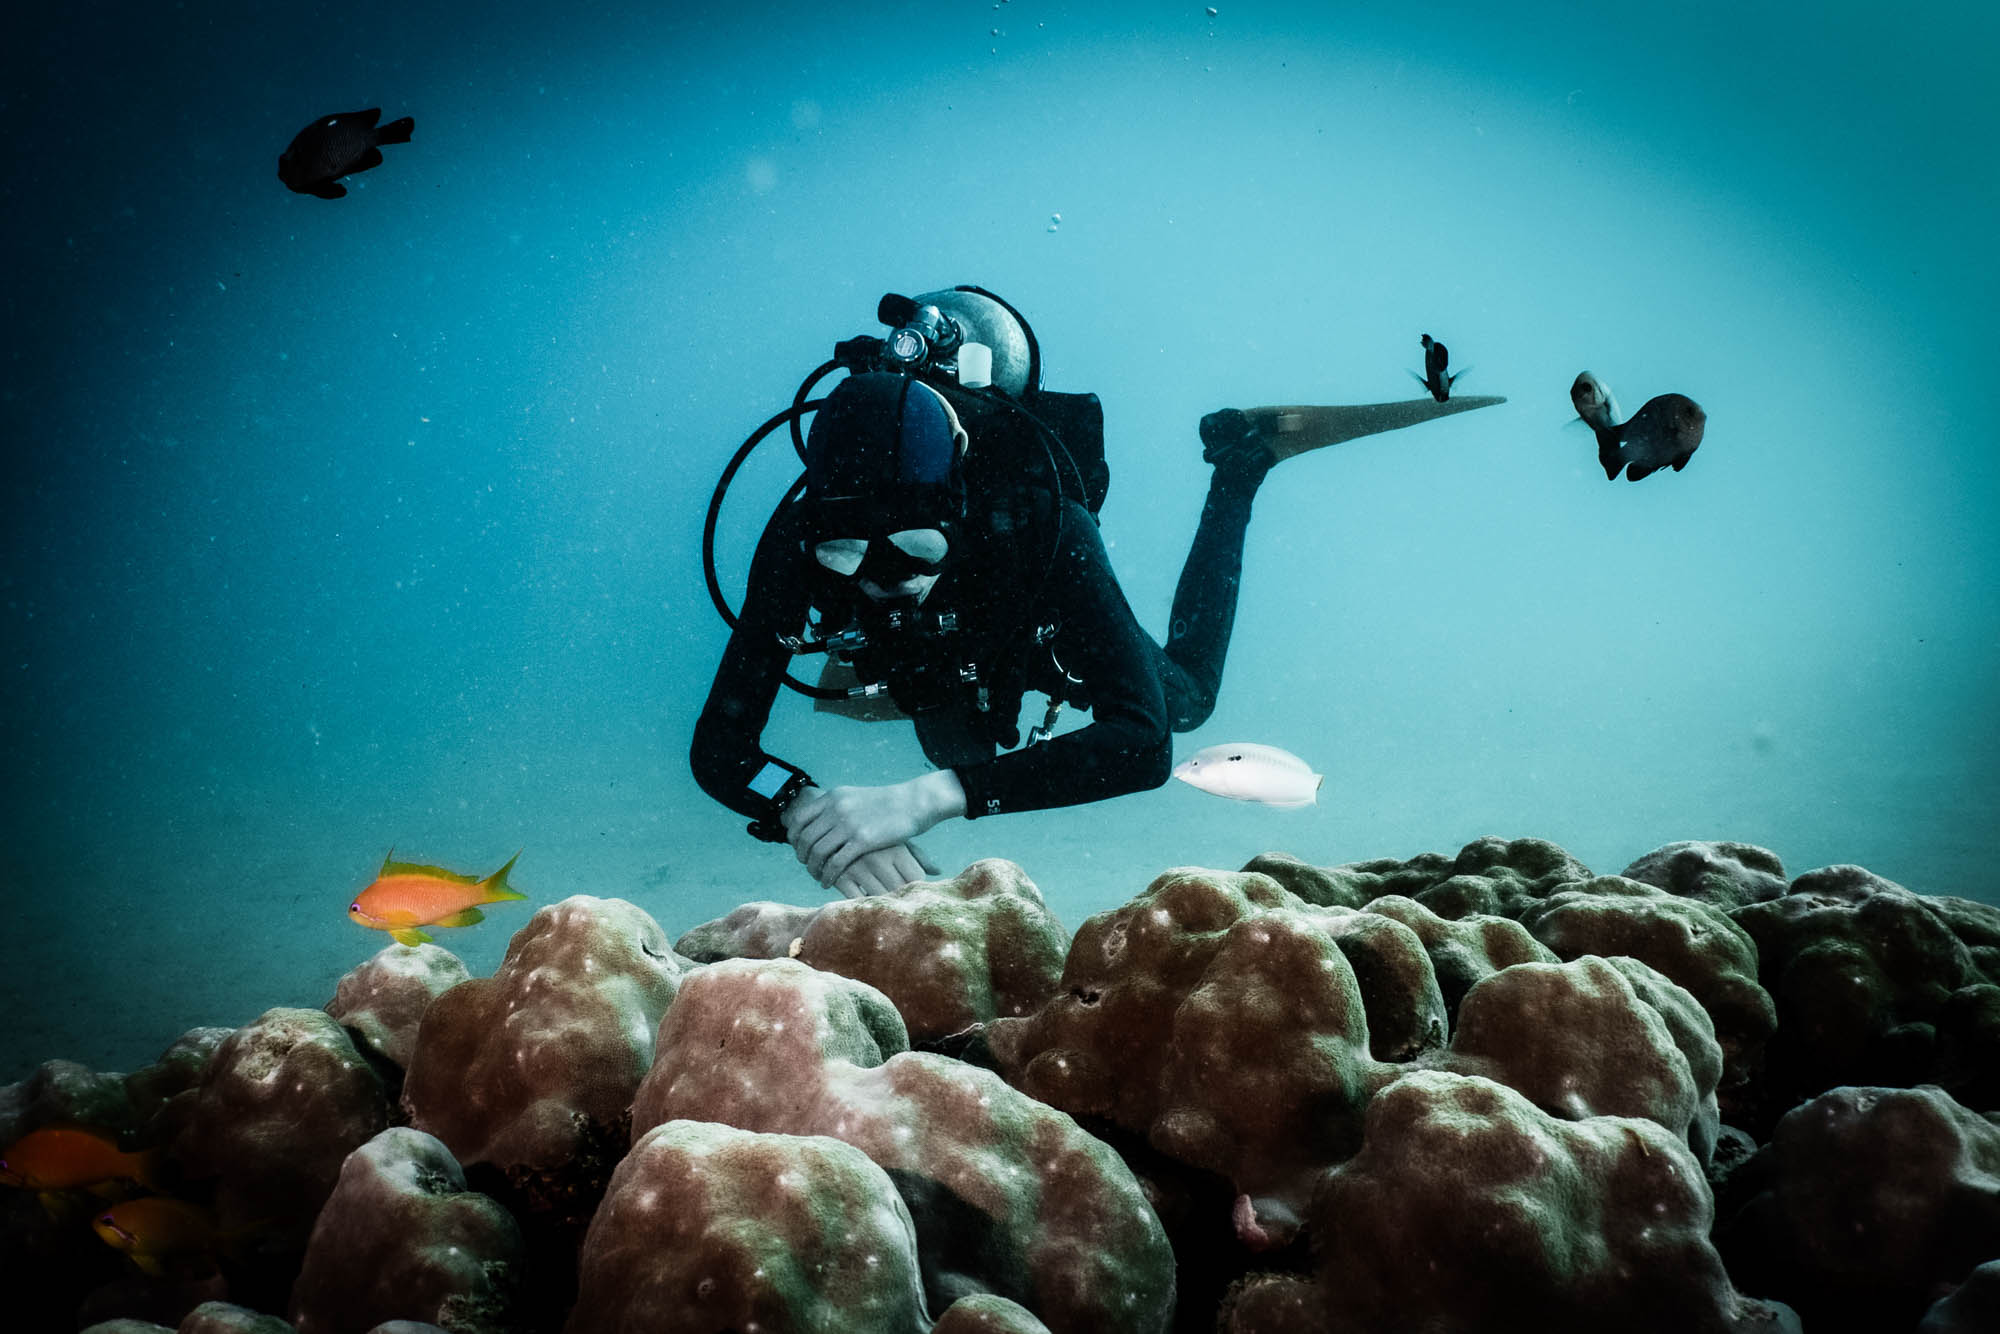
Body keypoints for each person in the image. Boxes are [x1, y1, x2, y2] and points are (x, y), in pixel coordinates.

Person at [691, 290, 1493, 897]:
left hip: (1021, 616)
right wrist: (799, 806)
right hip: (932, 663)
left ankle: (1242, 463)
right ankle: (940, 732)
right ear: (818, 527)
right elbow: (721, 748)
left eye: (912, 551)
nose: (875, 579)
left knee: (1186, 703)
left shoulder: (1037, 522)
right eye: (843, 552)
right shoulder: (796, 542)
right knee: (955, 744)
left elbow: (1144, 745)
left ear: (958, 516)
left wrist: (930, 800)